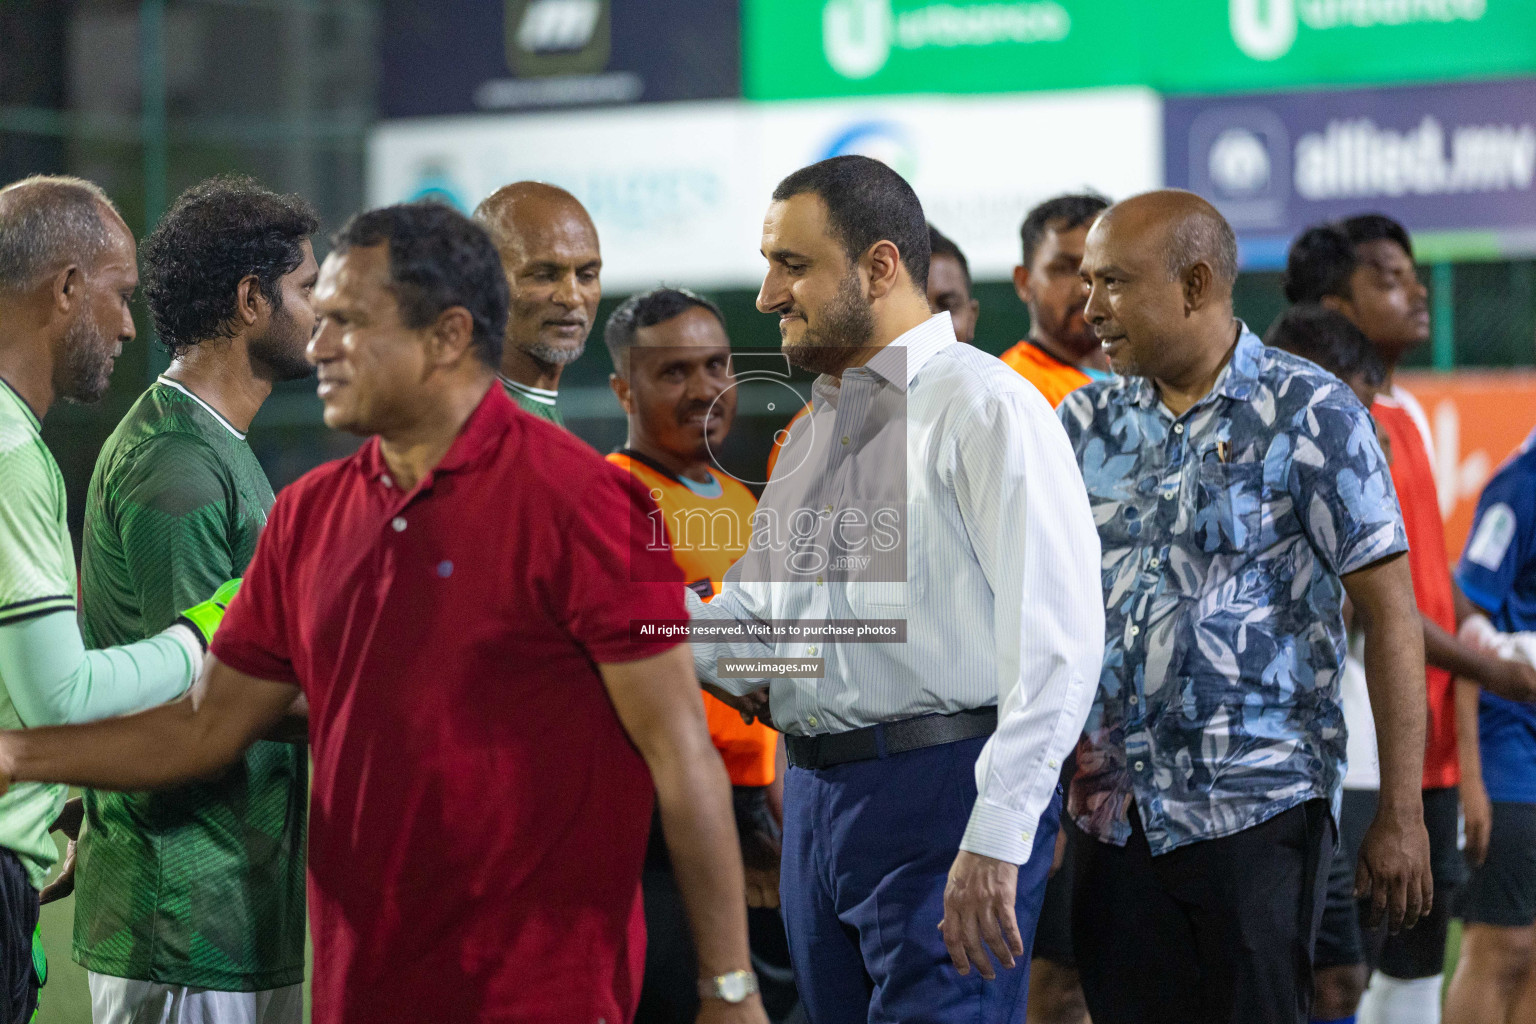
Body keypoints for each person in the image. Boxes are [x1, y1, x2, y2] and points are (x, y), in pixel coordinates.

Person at [0, 202, 767, 1024]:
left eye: (349, 322)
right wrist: (19, 754)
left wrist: (729, 987)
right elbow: (203, 726)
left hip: (542, 991)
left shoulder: (597, 505)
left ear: (445, 336)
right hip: (362, 991)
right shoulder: (310, 516)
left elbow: (681, 751)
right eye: (320, 316)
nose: (321, 344)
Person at [688, 154, 1106, 1023]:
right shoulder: (812, 432)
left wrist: (999, 835)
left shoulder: (989, 406)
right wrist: (631, 621)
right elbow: (761, 627)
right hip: (814, 802)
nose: (767, 295)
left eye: (791, 265)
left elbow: (1059, 647)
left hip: (943, 798)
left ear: (879, 266)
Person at [1059, 190, 1433, 1024]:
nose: (1091, 309)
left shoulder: (1315, 413)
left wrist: (1401, 813)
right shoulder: (1080, 423)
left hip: (1257, 810)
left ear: (1195, 283)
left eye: (1112, 283)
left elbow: (1392, 613)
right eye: (1087, 283)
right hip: (1109, 815)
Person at [68, 177, 318, 1024]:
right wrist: (384, 705)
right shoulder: (174, 464)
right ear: (253, 300)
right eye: (308, 289)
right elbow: (203, 690)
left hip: (238, 904)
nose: (326, 311)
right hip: (181, 916)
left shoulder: (219, 447)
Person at [1284, 218, 1536, 1024]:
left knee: (1414, 960)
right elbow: (1378, 607)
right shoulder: (1326, 425)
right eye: (1389, 277)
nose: (1416, 291)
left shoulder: (1408, 416)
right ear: (1337, 305)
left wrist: (1480, 649)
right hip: (1357, 748)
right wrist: (1495, 672)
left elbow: (1432, 586)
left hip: (1424, 744)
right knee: (1338, 973)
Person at [0, 176, 231, 1024]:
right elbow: (59, 697)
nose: (130, 325)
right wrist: (207, 630)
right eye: (119, 294)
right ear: (65, 289)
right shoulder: (11, 453)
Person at [604, 286, 797, 1022]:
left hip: (768, 805)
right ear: (624, 387)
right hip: (676, 823)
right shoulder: (614, 496)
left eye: (717, 365)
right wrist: (750, 804)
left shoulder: (737, 498)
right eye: (674, 371)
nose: (705, 389)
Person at [1443, 426, 1536, 1024]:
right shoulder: (1521, 484)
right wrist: (1470, 773)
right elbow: (1465, 608)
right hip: (1512, 748)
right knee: (1503, 945)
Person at [472, 181, 602, 425]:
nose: (573, 297)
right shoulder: (473, 423)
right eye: (544, 275)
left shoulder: (535, 411)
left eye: (586, 276)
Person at [1000, 194, 1112, 409]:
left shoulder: (1148, 376)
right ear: (1024, 282)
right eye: (1063, 269)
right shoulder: (1014, 390)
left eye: (1101, 266)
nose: (1085, 288)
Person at [926, 225, 979, 345]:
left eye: (947, 306)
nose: (931, 326)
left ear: (971, 318)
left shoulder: (1005, 364)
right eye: (914, 309)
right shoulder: (878, 363)